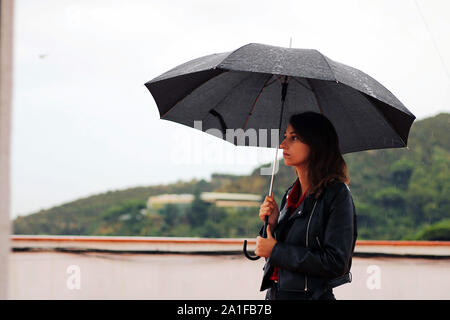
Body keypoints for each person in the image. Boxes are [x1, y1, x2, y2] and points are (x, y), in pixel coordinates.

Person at [255, 111, 357, 300]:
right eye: (285, 137)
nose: (283, 144)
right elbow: (277, 257)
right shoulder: (290, 194)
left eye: (294, 138)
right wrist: (272, 225)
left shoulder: (337, 194)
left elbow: (336, 262)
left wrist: (275, 250)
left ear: (316, 143)